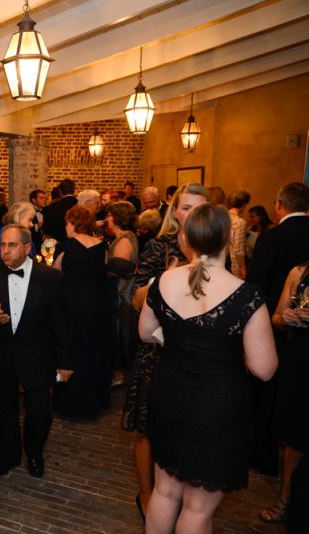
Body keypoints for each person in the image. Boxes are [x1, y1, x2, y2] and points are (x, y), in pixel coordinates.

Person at [140, 203, 277, 534]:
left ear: (186, 239)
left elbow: (145, 332)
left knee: (164, 492)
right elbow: (264, 369)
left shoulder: (163, 281)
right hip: (216, 406)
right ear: (229, 238)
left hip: (169, 395)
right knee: (198, 509)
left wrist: (180, 343)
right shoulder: (246, 295)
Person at [122, 182, 210, 519]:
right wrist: (167, 280)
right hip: (157, 352)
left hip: (196, 355)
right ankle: (147, 496)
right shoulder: (159, 247)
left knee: (187, 431)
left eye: (199, 209)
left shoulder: (215, 250)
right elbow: (135, 298)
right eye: (186, 207)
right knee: (147, 430)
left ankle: (181, 499)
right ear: (174, 211)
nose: (192, 215)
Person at [0, 224, 71, 479]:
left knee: (39, 411)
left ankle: (34, 453)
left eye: (11, 245)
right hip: (2, 355)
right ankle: (8, 454)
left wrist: (65, 362)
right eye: (2, 245)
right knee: (3, 409)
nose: (5, 251)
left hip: (38, 355)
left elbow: (62, 324)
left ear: (27, 247)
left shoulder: (51, 278)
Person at [247, 182, 309, 477]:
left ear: (279, 205)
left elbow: (257, 283)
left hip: (271, 321)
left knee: (267, 386)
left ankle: (265, 455)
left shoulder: (272, 237)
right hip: (303, 335)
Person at [261, 261, 309, 523]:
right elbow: (276, 317)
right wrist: (287, 317)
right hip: (299, 361)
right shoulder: (299, 272)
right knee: (293, 437)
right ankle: (285, 501)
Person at [51, 205, 110, 417]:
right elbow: (103, 273)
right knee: (92, 351)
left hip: (71, 305)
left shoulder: (65, 246)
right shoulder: (102, 246)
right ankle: (92, 401)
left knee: (70, 351)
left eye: (67, 222)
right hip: (96, 305)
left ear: (74, 223)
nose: (65, 226)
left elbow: (55, 275)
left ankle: (69, 402)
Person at [105, 201, 139, 386]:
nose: (106, 219)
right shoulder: (122, 237)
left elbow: (118, 268)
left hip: (121, 293)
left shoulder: (125, 239)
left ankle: (119, 374)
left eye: (109, 215)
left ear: (117, 217)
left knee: (119, 334)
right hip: (118, 291)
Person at [0, 201, 36, 266]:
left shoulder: (26, 237)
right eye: (30, 220)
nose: (32, 224)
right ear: (18, 218)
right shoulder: (0, 239)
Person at [227, 190, 250, 279]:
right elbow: (239, 249)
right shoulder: (240, 222)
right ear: (243, 204)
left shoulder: (221, 217)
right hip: (233, 265)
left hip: (220, 262)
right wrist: (243, 269)